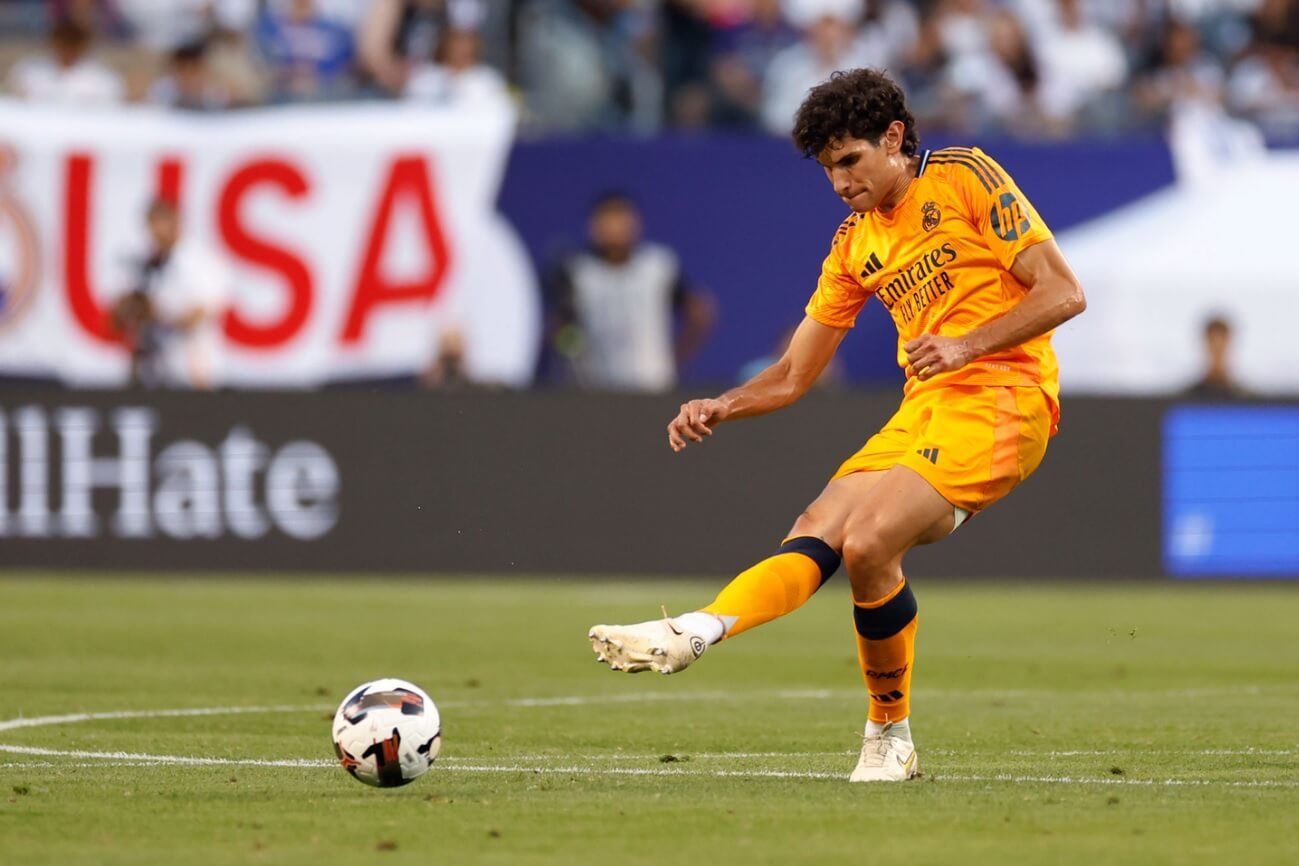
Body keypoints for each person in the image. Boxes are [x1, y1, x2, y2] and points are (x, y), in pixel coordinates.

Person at [588, 68, 1086, 782]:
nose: (839, 182)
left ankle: (887, 734)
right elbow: (794, 374)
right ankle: (700, 628)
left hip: (1005, 396)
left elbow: (1063, 291)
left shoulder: (965, 176)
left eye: (849, 161)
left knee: (870, 538)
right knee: (821, 523)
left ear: (892, 138)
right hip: (925, 408)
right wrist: (721, 405)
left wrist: (966, 344)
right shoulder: (854, 244)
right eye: (827, 170)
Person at [542, 192, 716, 392]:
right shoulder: (578, 271)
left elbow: (699, 312)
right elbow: (561, 328)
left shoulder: (658, 266)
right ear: (593, 227)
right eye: (607, 220)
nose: (615, 229)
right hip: (597, 390)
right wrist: (572, 353)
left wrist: (674, 362)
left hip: (654, 386)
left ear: (635, 224)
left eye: (621, 219)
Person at [111, 199, 230, 390]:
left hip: (193, 374)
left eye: (158, 224)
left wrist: (157, 314)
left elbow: (199, 314)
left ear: (174, 222)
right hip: (158, 374)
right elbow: (123, 316)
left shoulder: (199, 262)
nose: (153, 233)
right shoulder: (150, 266)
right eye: (150, 226)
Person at [1184, 315, 1249, 400]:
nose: (1217, 352)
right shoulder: (1186, 398)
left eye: (1221, 346)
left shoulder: (1246, 398)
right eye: (1213, 344)